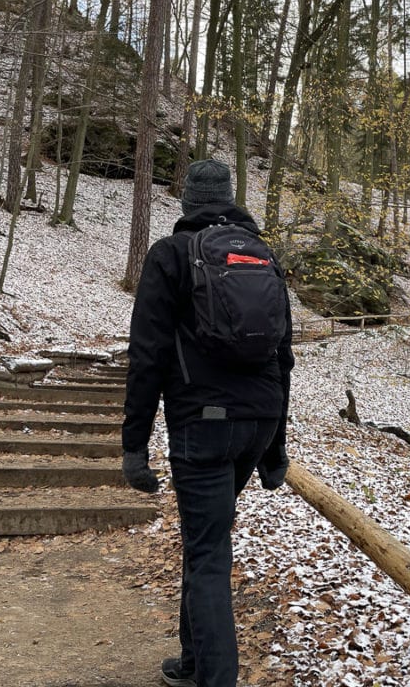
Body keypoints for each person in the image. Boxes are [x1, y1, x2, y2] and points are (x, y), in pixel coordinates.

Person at [121, 158, 293, 687]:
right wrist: (275, 447)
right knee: (208, 541)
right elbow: (283, 356)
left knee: (208, 552)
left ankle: (215, 678)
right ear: (230, 198)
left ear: (187, 203)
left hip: (203, 426)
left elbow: (147, 354)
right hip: (257, 422)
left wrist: (134, 444)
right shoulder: (263, 258)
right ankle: (193, 662)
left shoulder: (171, 255)